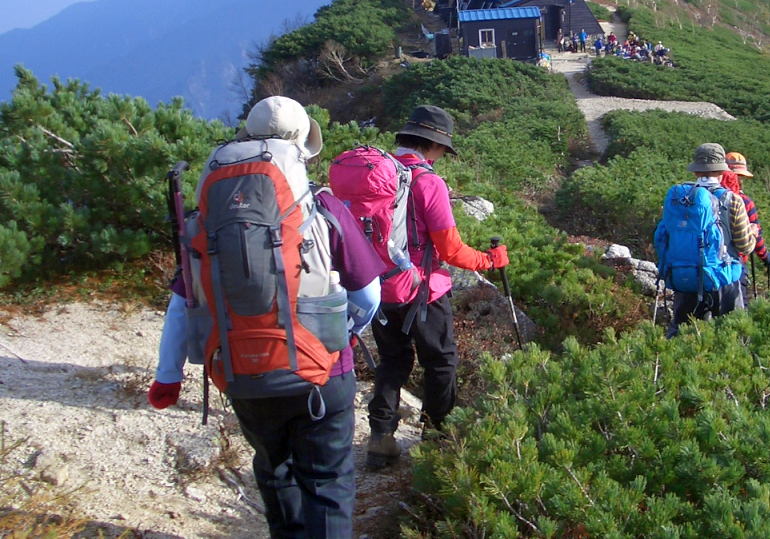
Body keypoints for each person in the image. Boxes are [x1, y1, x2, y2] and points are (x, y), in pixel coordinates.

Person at [148, 96, 385, 539]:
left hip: (241, 371)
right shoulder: (323, 207)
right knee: (327, 483)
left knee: (276, 473)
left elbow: (182, 305)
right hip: (322, 371)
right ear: (302, 148)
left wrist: (168, 378)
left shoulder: (208, 220)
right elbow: (368, 295)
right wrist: (341, 329)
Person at [366, 105, 509, 468]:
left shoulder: (375, 173)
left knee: (393, 360)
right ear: (433, 146)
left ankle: (380, 438)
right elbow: (451, 249)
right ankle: (436, 439)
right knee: (441, 361)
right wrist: (489, 261)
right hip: (422, 291)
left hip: (377, 289)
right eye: (443, 149)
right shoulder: (428, 182)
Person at [665, 143, 755, 336]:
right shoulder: (733, 200)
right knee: (732, 335)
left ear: (696, 171)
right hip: (723, 279)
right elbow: (745, 246)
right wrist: (753, 233)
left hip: (685, 277)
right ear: (722, 172)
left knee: (682, 334)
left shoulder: (679, 198)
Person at [725, 151, 770, 302]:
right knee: (738, 313)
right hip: (736, 264)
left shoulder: (705, 195)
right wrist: (766, 257)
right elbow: (756, 236)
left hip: (706, 263)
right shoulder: (745, 203)